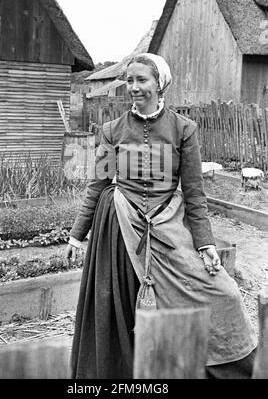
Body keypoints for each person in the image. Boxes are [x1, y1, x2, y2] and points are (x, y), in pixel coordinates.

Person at [67, 53, 257, 379]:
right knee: (121, 313)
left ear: (160, 83)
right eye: (130, 80)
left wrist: (205, 245)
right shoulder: (112, 131)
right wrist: (76, 234)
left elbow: (195, 194)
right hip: (119, 229)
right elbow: (97, 185)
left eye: (142, 80)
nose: (135, 87)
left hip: (168, 226)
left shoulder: (183, 130)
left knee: (224, 293)